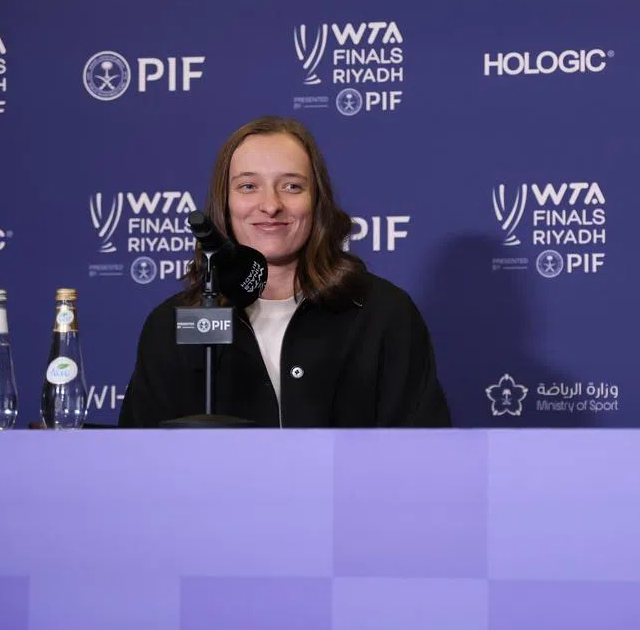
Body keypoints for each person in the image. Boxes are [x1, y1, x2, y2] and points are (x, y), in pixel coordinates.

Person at [118, 116, 451, 428]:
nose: (271, 205)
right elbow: (137, 460)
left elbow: (424, 455)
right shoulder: (170, 325)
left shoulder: (384, 314)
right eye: (248, 186)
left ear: (316, 201)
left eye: (291, 186)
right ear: (224, 203)